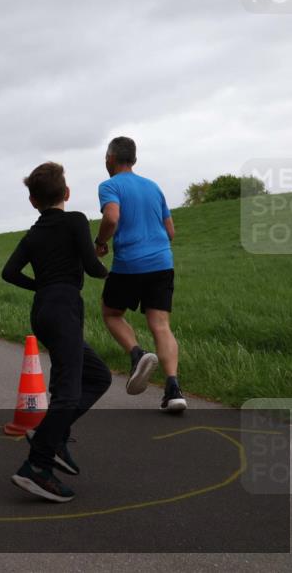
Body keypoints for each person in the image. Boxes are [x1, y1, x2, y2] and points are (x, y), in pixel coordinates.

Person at [2, 162, 111, 503]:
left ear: (33, 201)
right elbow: (92, 267)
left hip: (44, 311)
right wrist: (110, 270)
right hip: (65, 309)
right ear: (67, 193)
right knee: (68, 392)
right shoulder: (76, 220)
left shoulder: (33, 234)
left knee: (98, 376)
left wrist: (41, 286)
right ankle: (37, 465)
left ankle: (51, 434)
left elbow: (9, 272)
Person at [94, 137, 186, 412]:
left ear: (110, 158)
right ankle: (174, 390)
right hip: (162, 263)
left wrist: (100, 242)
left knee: (111, 313)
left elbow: (112, 217)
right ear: (133, 159)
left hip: (129, 264)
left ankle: (137, 354)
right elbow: (171, 232)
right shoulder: (154, 187)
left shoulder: (110, 186)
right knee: (160, 325)